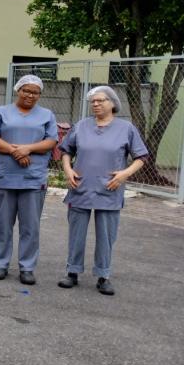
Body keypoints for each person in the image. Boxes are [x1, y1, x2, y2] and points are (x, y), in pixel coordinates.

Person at [57, 86, 147, 296]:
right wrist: (68, 169)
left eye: (101, 100)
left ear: (113, 103)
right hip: (81, 186)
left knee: (106, 236)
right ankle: (72, 272)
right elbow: (66, 151)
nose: (95, 104)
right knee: (76, 233)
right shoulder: (81, 126)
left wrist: (125, 174)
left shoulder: (126, 128)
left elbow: (141, 157)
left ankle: (103, 276)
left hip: (109, 188)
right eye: (93, 101)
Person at [0, 74, 58, 285]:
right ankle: (0, 264)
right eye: (26, 90)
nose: (30, 95)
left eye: (35, 93)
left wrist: (28, 148)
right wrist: (15, 151)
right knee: (3, 224)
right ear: (18, 90)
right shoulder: (1, 112)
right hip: (5, 177)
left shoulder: (46, 115)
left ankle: (27, 267)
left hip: (33, 179)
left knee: (30, 226)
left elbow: (51, 141)